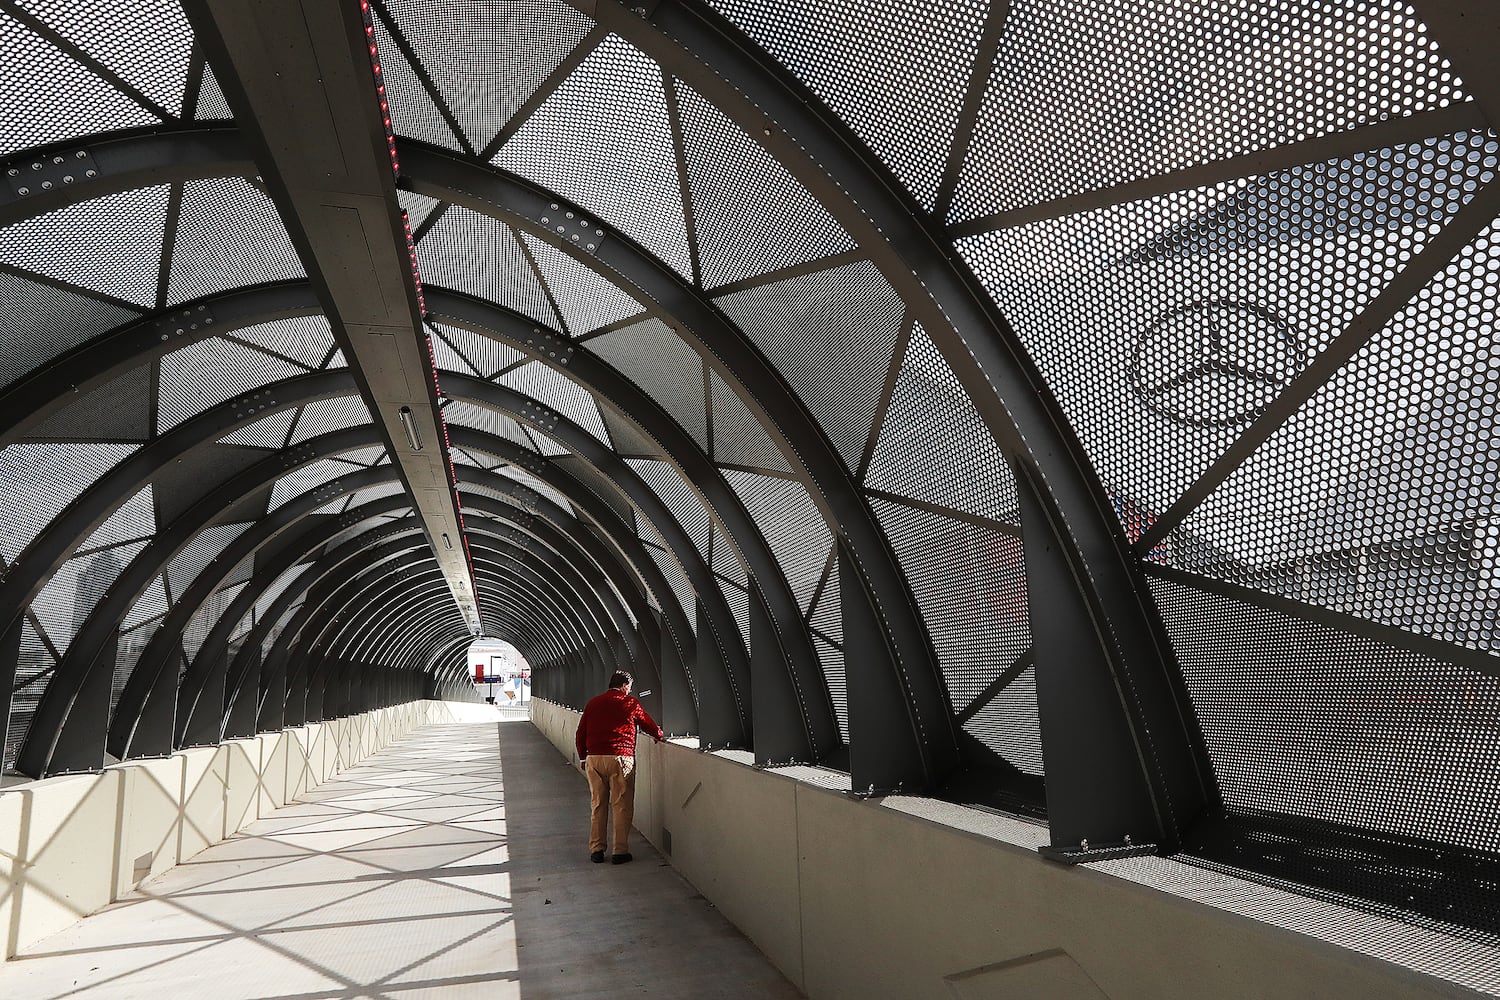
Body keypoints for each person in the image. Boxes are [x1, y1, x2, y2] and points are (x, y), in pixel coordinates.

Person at [575, 670, 664, 865]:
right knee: (621, 805)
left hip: (595, 758)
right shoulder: (629, 703)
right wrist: (659, 734)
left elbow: (580, 733)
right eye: (630, 687)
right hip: (620, 757)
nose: (630, 691)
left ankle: (597, 850)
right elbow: (646, 722)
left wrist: (583, 757)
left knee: (598, 805)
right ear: (624, 685)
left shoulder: (593, 703)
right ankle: (620, 851)